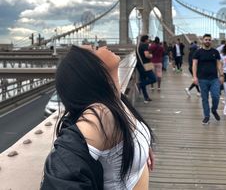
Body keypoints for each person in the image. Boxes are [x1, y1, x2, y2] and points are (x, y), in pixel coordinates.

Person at [41, 45, 155, 189]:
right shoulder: (101, 113)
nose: (104, 46)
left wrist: (143, 145)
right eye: (94, 49)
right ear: (87, 68)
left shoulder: (116, 100)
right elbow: (62, 170)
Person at [192, 34, 223, 125]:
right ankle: (206, 116)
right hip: (202, 79)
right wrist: (194, 77)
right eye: (206, 40)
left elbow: (218, 64)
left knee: (216, 96)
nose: (207, 41)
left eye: (209, 40)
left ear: (211, 41)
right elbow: (194, 65)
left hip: (214, 79)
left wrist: (221, 75)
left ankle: (214, 110)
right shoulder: (198, 52)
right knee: (204, 98)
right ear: (203, 40)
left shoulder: (215, 52)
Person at [136, 35, 156, 103]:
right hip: (145, 66)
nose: (149, 40)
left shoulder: (138, 45)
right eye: (148, 39)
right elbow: (147, 55)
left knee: (143, 79)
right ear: (146, 40)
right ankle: (139, 85)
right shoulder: (145, 45)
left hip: (140, 66)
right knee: (153, 79)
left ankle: (146, 97)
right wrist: (152, 55)